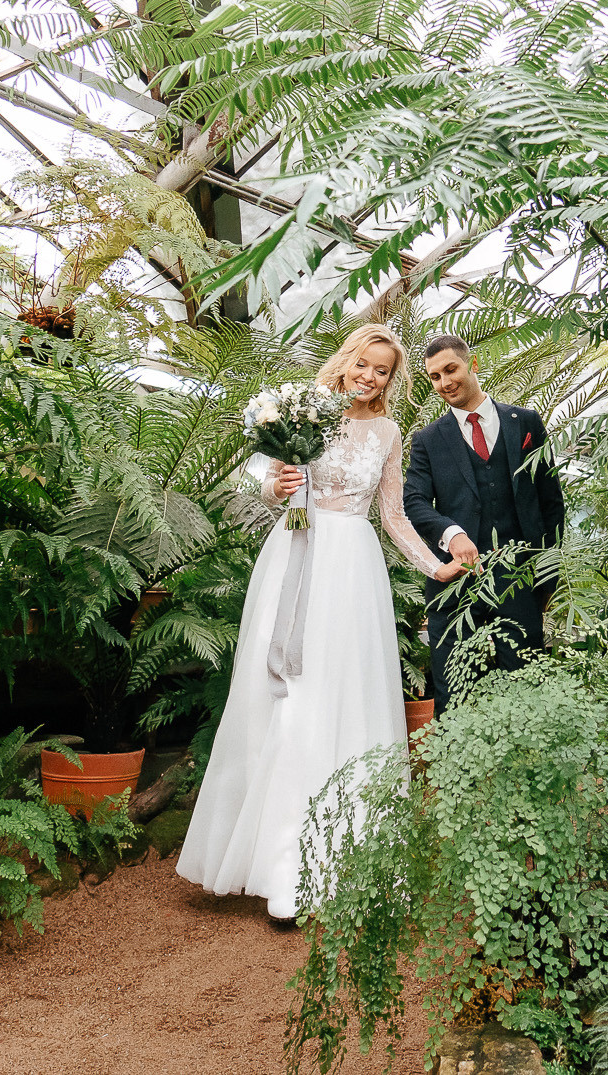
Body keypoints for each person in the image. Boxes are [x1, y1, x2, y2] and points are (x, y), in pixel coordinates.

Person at [175, 324, 461, 925]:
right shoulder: (303, 412)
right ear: (348, 360)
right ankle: (279, 870)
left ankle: (340, 865)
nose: (370, 376)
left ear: (391, 379)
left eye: (383, 370)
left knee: (341, 698)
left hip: (352, 572)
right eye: (364, 363)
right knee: (286, 699)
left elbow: (392, 515)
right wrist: (272, 486)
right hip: (294, 558)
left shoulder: (387, 432)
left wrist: (435, 566)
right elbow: (268, 491)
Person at [401, 333, 565, 715]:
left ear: (472, 364)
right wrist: (451, 534)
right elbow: (414, 500)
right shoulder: (427, 439)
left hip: (520, 578)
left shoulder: (525, 422)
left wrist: (547, 575)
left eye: (450, 369)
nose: (444, 382)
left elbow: (551, 502)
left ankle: (527, 769)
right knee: (453, 694)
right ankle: (454, 771)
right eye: (435, 377)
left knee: (527, 686)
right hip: (456, 585)